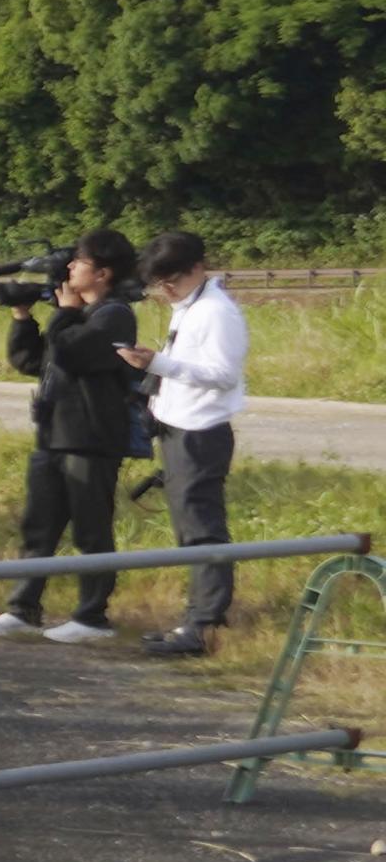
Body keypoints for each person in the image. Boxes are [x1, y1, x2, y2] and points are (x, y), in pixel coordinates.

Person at [0, 228, 139, 645]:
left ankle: (92, 617)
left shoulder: (114, 314)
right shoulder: (78, 312)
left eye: (79, 263)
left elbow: (74, 352)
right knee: (39, 528)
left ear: (102, 273)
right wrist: (23, 318)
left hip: (91, 439)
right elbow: (34, 361)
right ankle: (22, 609)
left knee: (91, 530)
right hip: (53, 436)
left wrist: (64, 312)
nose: (69, 268)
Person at [118, 229, 243, 656]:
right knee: (188, 527)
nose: (165, 290)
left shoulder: (215, 312)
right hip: (178, 427)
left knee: (202, 528)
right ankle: (195, 619)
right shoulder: (190, 306)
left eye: (172, 280)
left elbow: (224, 374)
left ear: (197, 268)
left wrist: (159, 362)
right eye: (159, 283)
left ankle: (203, 624)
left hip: (201, 432)